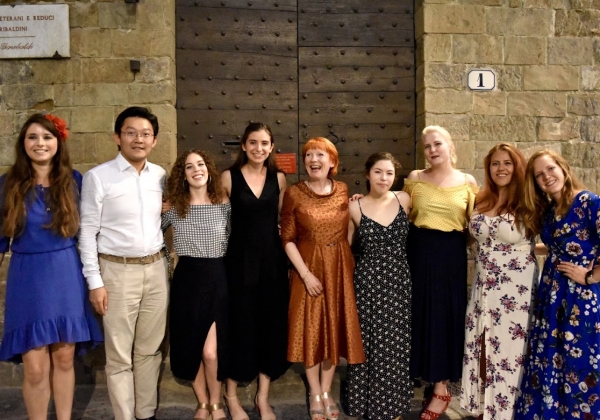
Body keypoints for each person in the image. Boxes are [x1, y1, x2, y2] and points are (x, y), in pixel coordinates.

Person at [0, 113, 102, 420]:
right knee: (34, 367)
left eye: (47, 137)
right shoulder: (7, 184)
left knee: (65, 358)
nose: (40, 143)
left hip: (65, 273)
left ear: (58, 142)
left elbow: (94, 228)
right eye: (32, 137)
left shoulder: (75, 181)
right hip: (27, 277)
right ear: (23, 143)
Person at [78, 107, 168, 420]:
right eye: (131, 133)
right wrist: (95, 282)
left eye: (145, 134)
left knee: (149, 350)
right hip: (116, 272)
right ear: (118, 137)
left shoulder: (159, 176)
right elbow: (87, 233)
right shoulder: (98, 177)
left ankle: (146, 413)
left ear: (154, 140)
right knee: (118, 356)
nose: (138, 139)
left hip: (156, 269)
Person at [280, 136, 365, 420]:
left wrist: (358, 207)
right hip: (308, 268)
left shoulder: (343, 190)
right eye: (308, 155)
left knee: (333, 328)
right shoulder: (293, 193)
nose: (313, 160)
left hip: (338, 268)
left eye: (320, 155)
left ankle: (327, 391)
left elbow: (348, 229)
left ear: (332, 162)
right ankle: (314, 392)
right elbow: (287, 238)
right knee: (311, 329)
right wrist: (305, 274)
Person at [515, 150, 600, 419]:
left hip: (580, 298)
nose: (546, 177)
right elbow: (557, 246)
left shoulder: (588, 202)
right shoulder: (551, 210)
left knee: (579, 362)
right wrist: (520, 250)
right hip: (551, 297)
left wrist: (591, 276)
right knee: (553, 361)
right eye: (539, 175)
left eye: (550, 169)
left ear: (563, 168)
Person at [403, 125, 478, 420]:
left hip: (451, 255)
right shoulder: (415, 178)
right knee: (418, 314)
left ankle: (441, 388)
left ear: (450, 146)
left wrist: (455, 247)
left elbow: (474, 225)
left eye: (437, 144)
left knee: (445, 316)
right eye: (427, 146)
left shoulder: (467, 182)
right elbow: (398, 212)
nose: (432, 150)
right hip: (418, 252)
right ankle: (419, 375)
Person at [459, 143, 539, 420]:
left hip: (516, 289)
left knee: (511, 351)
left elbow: (555, 237)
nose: (501, 168)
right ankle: (485, 410)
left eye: (507, 163)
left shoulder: (531, 201)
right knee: (481, 347)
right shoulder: (480, 199)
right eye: (495, 163)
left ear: (517, 167)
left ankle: (509, 413)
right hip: (483, 287)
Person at [221, 123, 290, 420]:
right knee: (239, 326)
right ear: (243, 145)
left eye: (264, 143)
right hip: (238, 262)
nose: (258, 148)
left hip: (272, 262)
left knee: (270, 327)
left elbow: (285, 219)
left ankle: (262, 397)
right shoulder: (228, 177)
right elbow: (215, 218)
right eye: (253, 142)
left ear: (271, 147)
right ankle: (231, 396)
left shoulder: (279, 178)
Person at [162, 149, 231, 420]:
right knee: (191, 346)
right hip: (187, 280)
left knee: (211, 352)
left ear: (208, 170)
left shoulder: (223, 204)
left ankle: (216, 402)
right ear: (183, 175)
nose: (196, 170)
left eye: (200, 164)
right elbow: (149, 233)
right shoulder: (174, 207)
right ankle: (203, 402)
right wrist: (165, 261)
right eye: (189, 167)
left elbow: (238, 237)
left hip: (216, 277)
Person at [346, 152, 413, 420]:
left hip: (398, 281)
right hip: (367, 282)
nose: (384, 178)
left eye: (389, 173)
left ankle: (392, 407)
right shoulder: (354, 207)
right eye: (378, 172)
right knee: (368, 343)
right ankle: (366, 404)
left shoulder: (404, 199)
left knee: (395, 345)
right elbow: (345, 248)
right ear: (367, 174)